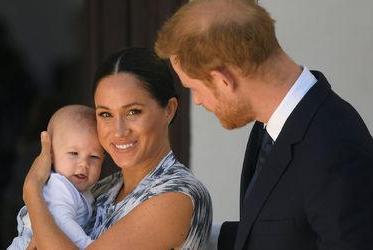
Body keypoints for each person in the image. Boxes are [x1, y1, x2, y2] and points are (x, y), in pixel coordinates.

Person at [155, 0, 373, 250]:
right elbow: (282, 231)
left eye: (194, 88)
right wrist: (185, 234)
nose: (198, 101)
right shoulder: (273, 123)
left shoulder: (336, 152)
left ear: (223, 80)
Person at [22, 47, 213, 249]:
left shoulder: (177, 196)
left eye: (133, 112)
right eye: (105, 114)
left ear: (169, 110)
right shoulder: (101, 189)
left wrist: (32, 191)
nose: (119, 131)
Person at [8, 104, 104, 249]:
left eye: (94, 156)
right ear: (51, 155)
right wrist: (89, 245)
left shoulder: (82, 190)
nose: (84, 164)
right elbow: (62, 223)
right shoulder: (58, 186)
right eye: (73, 153)